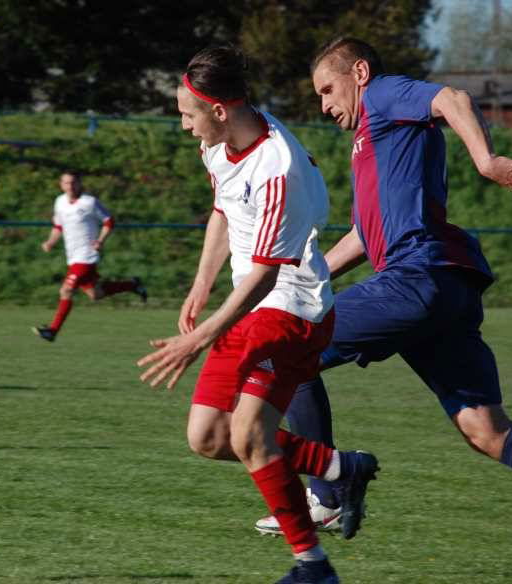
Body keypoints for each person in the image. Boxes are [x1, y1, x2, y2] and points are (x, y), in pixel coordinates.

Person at [256, 37, 512, 581]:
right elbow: (362, 236)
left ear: (361, 72)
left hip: (417, 277)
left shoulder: (384, 95)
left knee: (285, 350)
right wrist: (301, 275)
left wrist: (486, 161)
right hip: (443, 288)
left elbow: (453, 98)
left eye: (328, 89)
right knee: (485, 429)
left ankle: (326, 490)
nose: (324, 104)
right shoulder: (372, 140)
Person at [137, 46, 379, 584]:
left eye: (188, 114)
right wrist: (200, 284)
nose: (184, 126)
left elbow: (266, 274)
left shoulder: (279, 168)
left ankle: (315, 552)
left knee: (234, 435)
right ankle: (339, 481)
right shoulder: (220, 145)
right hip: (262, 307)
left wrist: (201, 337)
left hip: (291, 312)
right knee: (218, 439)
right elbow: (224, 209)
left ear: (220, 111)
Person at [33, 170, 147, 342]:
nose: (70, 186)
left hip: (86, 256)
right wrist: (50, 242)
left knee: (66, 290)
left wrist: (100, 241)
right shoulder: (60, 202)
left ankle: (53, 330)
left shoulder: (90, 202)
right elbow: (58, 226)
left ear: (79, 183)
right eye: (66, 183)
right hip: (72, 257)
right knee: (96, 294)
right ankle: (132, 285)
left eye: (73, 182)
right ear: (61, 184)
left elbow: (109, 221)